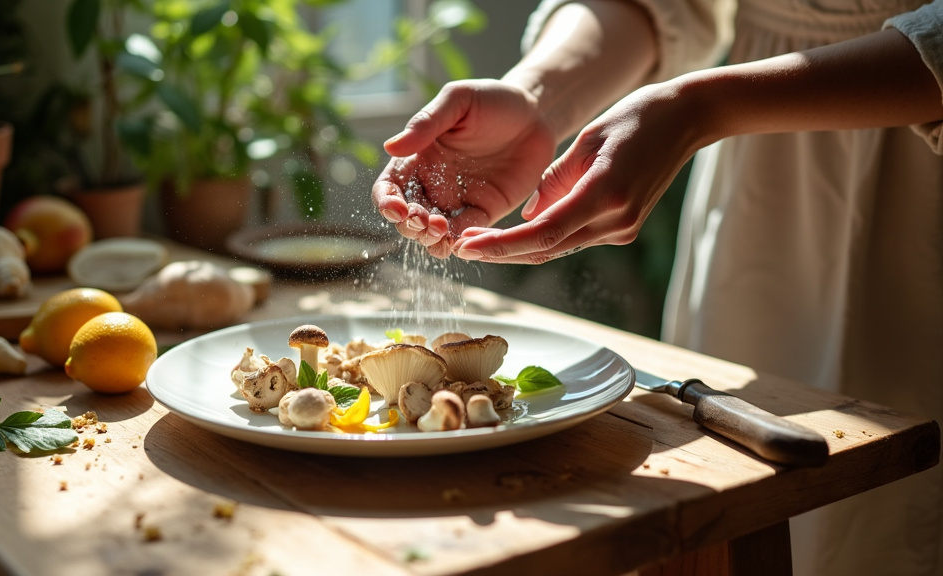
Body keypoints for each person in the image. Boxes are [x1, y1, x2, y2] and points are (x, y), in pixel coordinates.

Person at [371, 1, 943, 575]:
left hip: (917, 181)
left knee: (885, 524)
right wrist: (537, 98)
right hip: (756, 193)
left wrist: (700, 108)